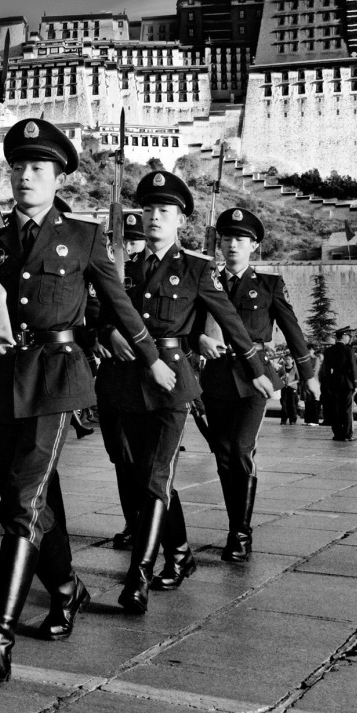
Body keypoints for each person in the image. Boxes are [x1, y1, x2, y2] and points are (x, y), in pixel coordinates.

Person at [0, 122, 165, 679]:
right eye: (20, 167)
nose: (27, 177)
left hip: (55, 377)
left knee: (22, 503)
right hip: (0, 377)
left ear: (58, 178)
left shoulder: (84, 237)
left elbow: (118, 303)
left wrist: (152, 357)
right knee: (28, 496)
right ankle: (68, 587)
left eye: (39, 169)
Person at [112, 170, 266, 620]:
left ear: (182, 220)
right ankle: (180, 552)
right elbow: (102, 308)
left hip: (174, 383)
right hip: (130, 381)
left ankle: (138, 576)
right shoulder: (126, 266)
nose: (154, 217)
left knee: (157, 474)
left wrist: (256, 368)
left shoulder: (197, 269)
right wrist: (108, 331)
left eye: (164, 211)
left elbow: (230, 321)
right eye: (149, 209)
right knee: (144, 475)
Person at [196, 208, 318, 563]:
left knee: (240, 450)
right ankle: (235, 524)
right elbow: (189, 323)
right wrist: (197, 341)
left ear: (255, 246)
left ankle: (241, 534)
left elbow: (292, 329)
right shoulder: (207, 280)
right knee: (222, 456)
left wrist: (307, 372)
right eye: (226, 239)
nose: (232, 245)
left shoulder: (268, 285)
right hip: (215, 376)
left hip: (255, 379)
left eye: (240, 239)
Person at [97, 207, 147, 552]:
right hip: (114, 373)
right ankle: (133, 520)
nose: (127, 247)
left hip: (147, 372)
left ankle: (151, 522)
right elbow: (89, 310)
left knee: (145, 458)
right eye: (122, 241)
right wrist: (107, 331)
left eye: (133, 241)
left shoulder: (154, 272)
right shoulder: (105, 270)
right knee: (121, 455)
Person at [319, 328, 357, 442]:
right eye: (348, 335)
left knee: (335, 409)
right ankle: (347, 434)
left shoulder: (329, 351)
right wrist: (356, 384)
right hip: (347, 383)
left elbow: (326, 370)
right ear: (343, 336)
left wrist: (327, 383)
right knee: (347, 409)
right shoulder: (348, 350)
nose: (349, 338)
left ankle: (337, 434)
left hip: (333, 382)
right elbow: (353, 368)